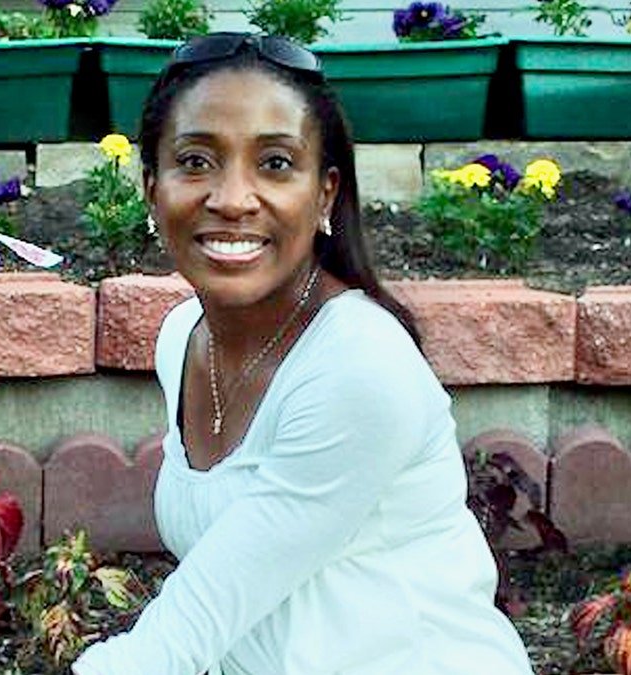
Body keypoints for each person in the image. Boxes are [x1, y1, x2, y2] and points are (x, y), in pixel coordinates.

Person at [71, 32, 534, 675]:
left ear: (324, 194)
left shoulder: (359, 368)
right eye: (197, 162)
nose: (232, 199)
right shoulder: (182, 337)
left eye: (276, 164)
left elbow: (189, 628)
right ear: (152, 188)